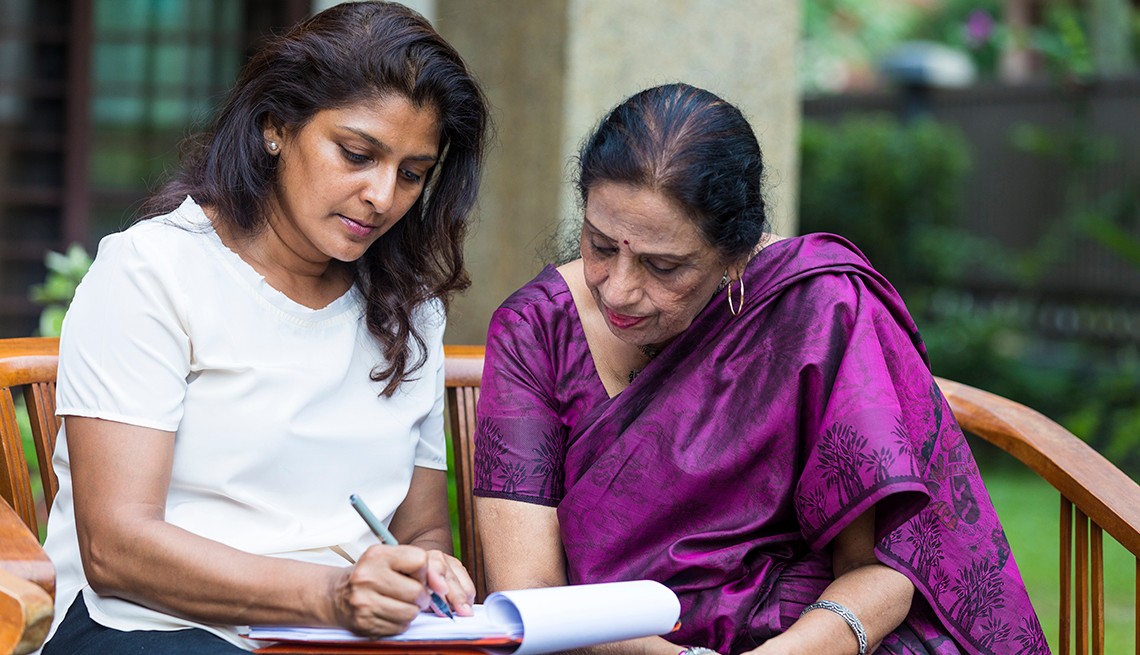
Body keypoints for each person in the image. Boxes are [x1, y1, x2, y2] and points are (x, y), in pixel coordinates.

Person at [472, 83, 1046, 655]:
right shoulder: (536, 330)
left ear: (736, 254)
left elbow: (881, 573)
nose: (619, 290)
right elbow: (531, 596)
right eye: (600, 245)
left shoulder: (817, 308)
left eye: (664, 266)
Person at [38, 2, 490, 653]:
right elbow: (116, 548)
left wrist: (424, 569)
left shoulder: (409, 307)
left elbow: (418, 534)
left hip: (336, 637)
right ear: (277, 125)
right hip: (153, 625)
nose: (384, 195)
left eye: (413, 173)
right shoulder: (155, 272)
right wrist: (331, 593)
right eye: (357, 153)